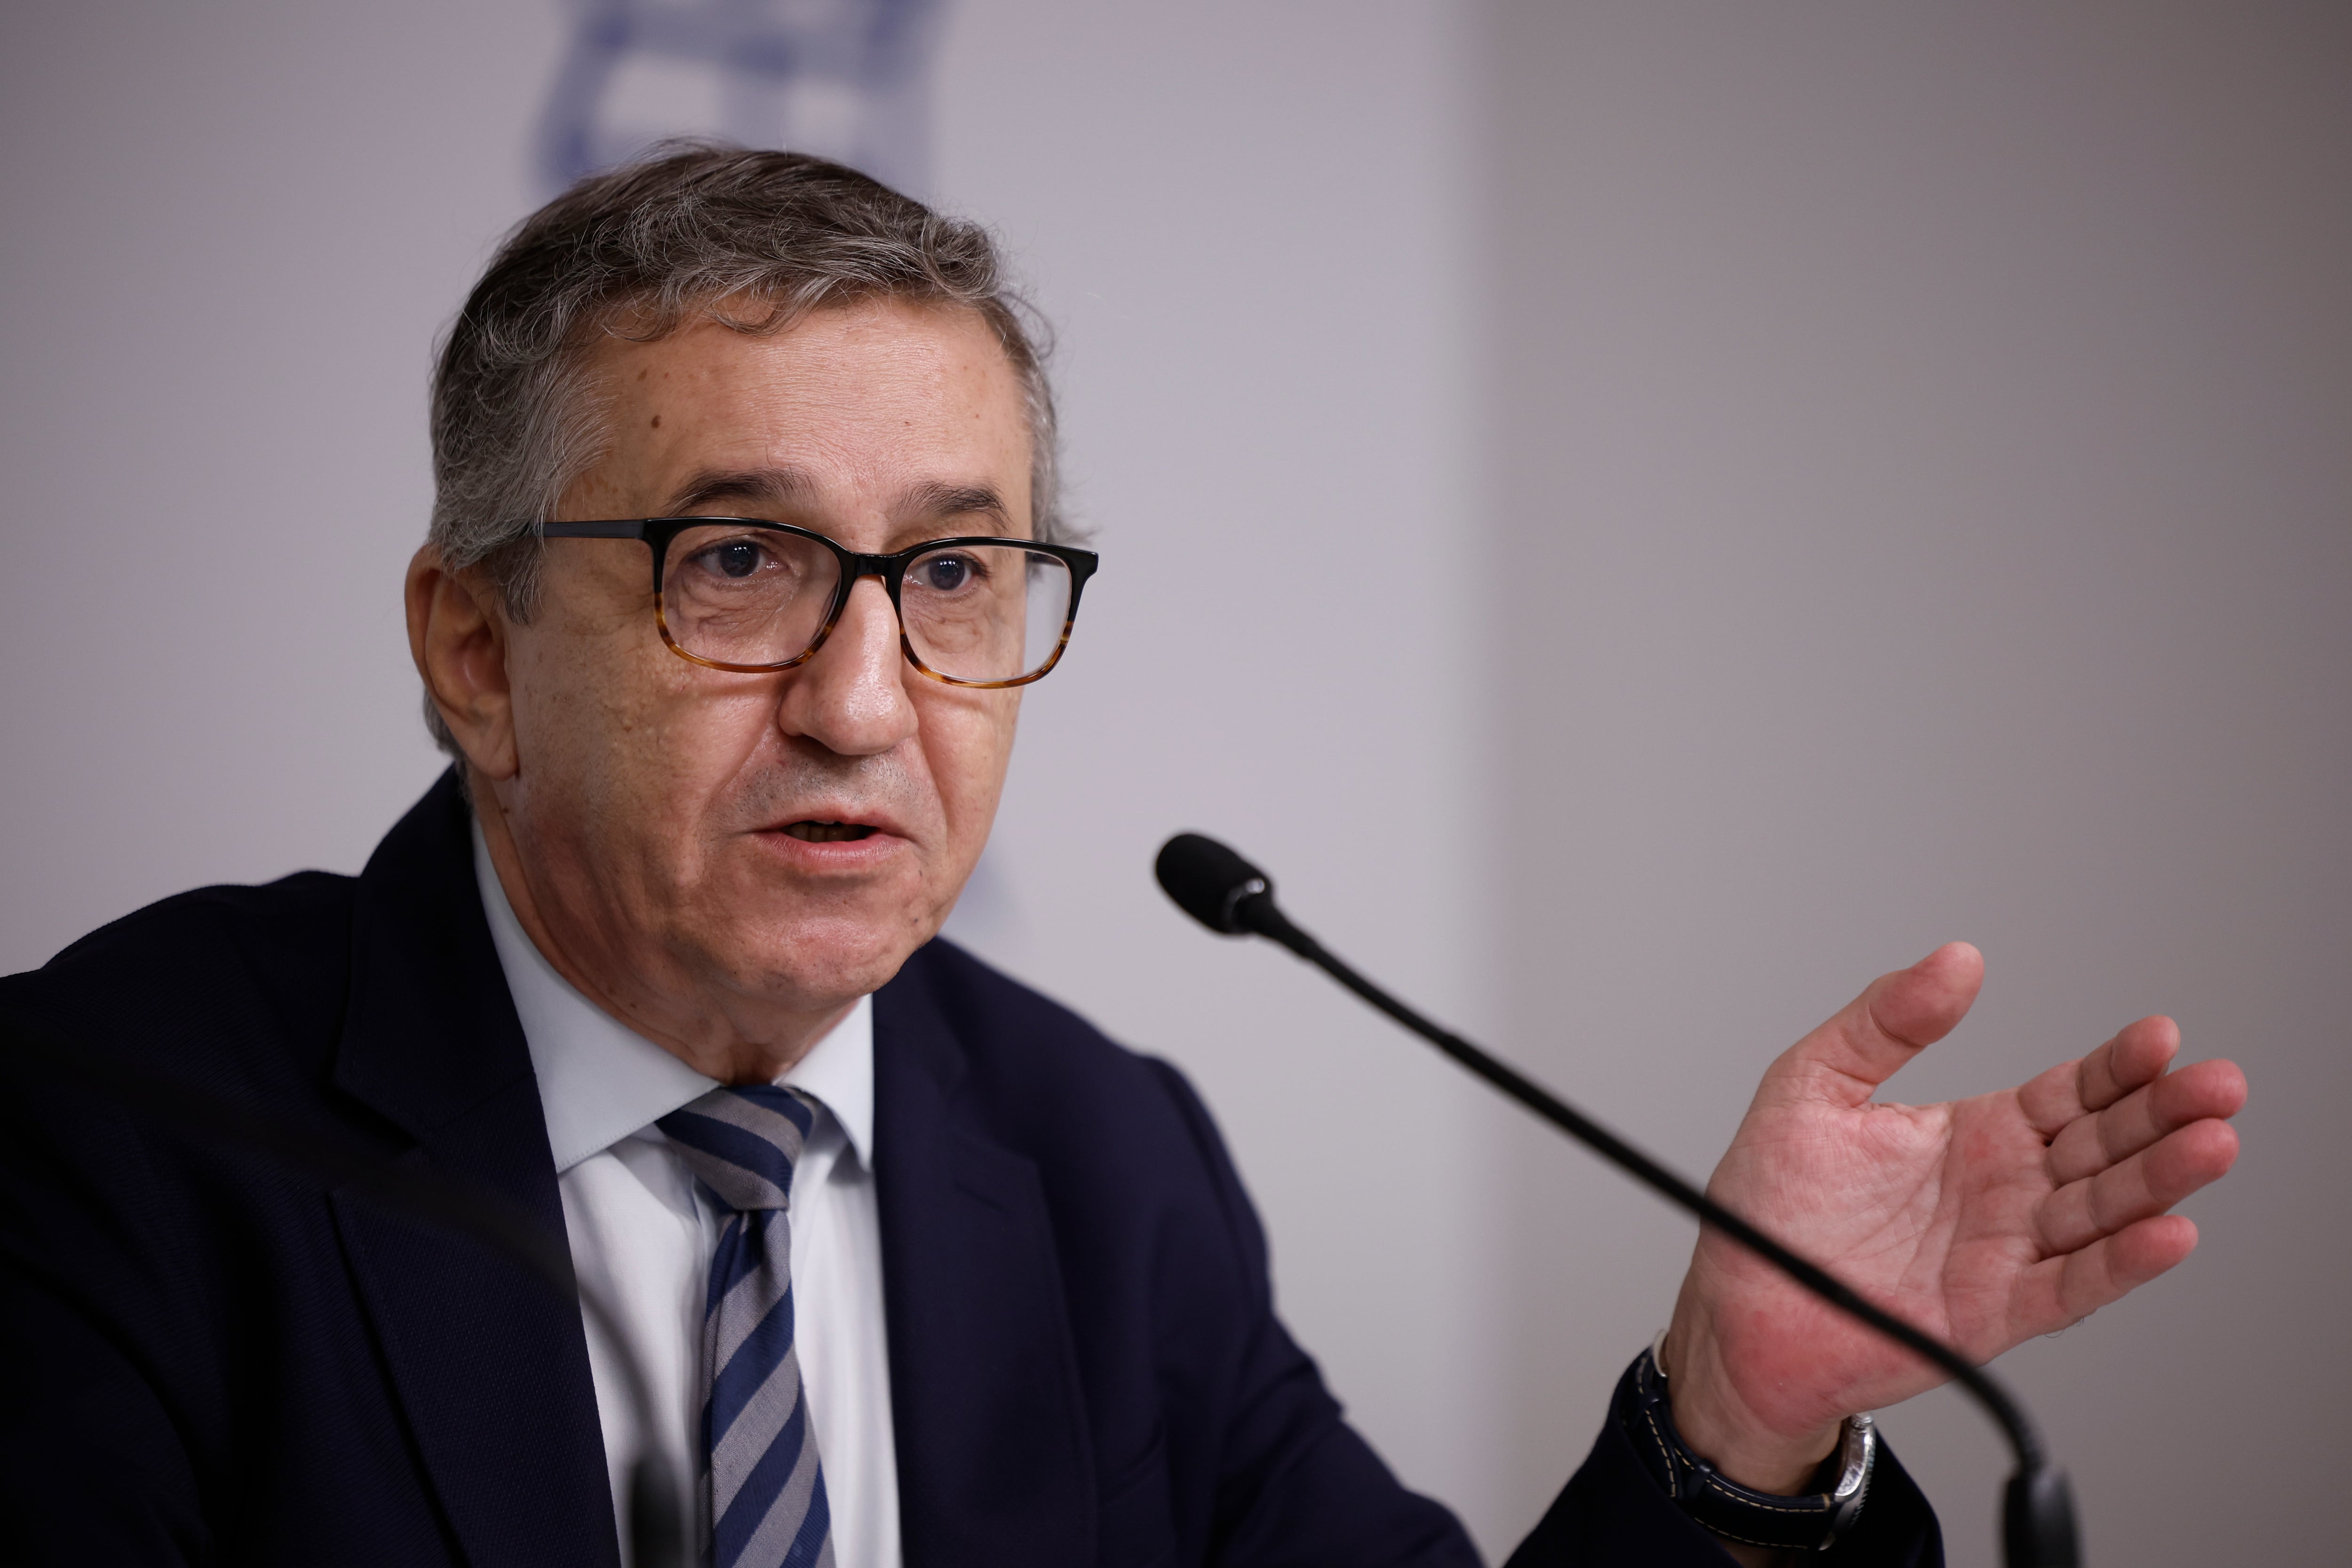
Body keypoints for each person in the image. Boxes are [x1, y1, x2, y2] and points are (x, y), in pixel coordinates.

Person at [0, 146, 2247, 1568]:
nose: (866, 703)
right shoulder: (104, 1129)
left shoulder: (1094, 1159)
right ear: (474, 650)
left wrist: (1734, 1418)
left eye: (956, 579)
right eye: (739, 561)